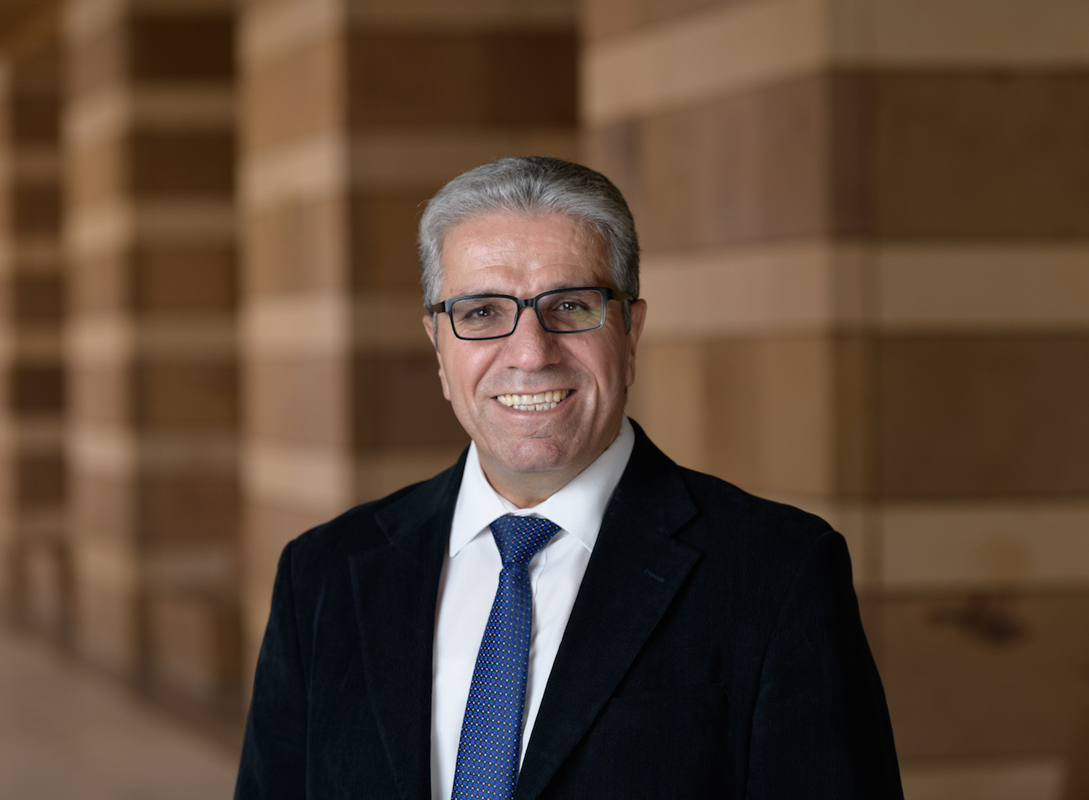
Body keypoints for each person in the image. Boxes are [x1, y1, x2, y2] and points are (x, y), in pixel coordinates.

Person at [234, 156, 903, 799]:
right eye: (482, 314)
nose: (530, 353)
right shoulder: (323, 574)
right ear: (439, 348)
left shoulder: (778, 574)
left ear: (631, 333)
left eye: (573, 306)